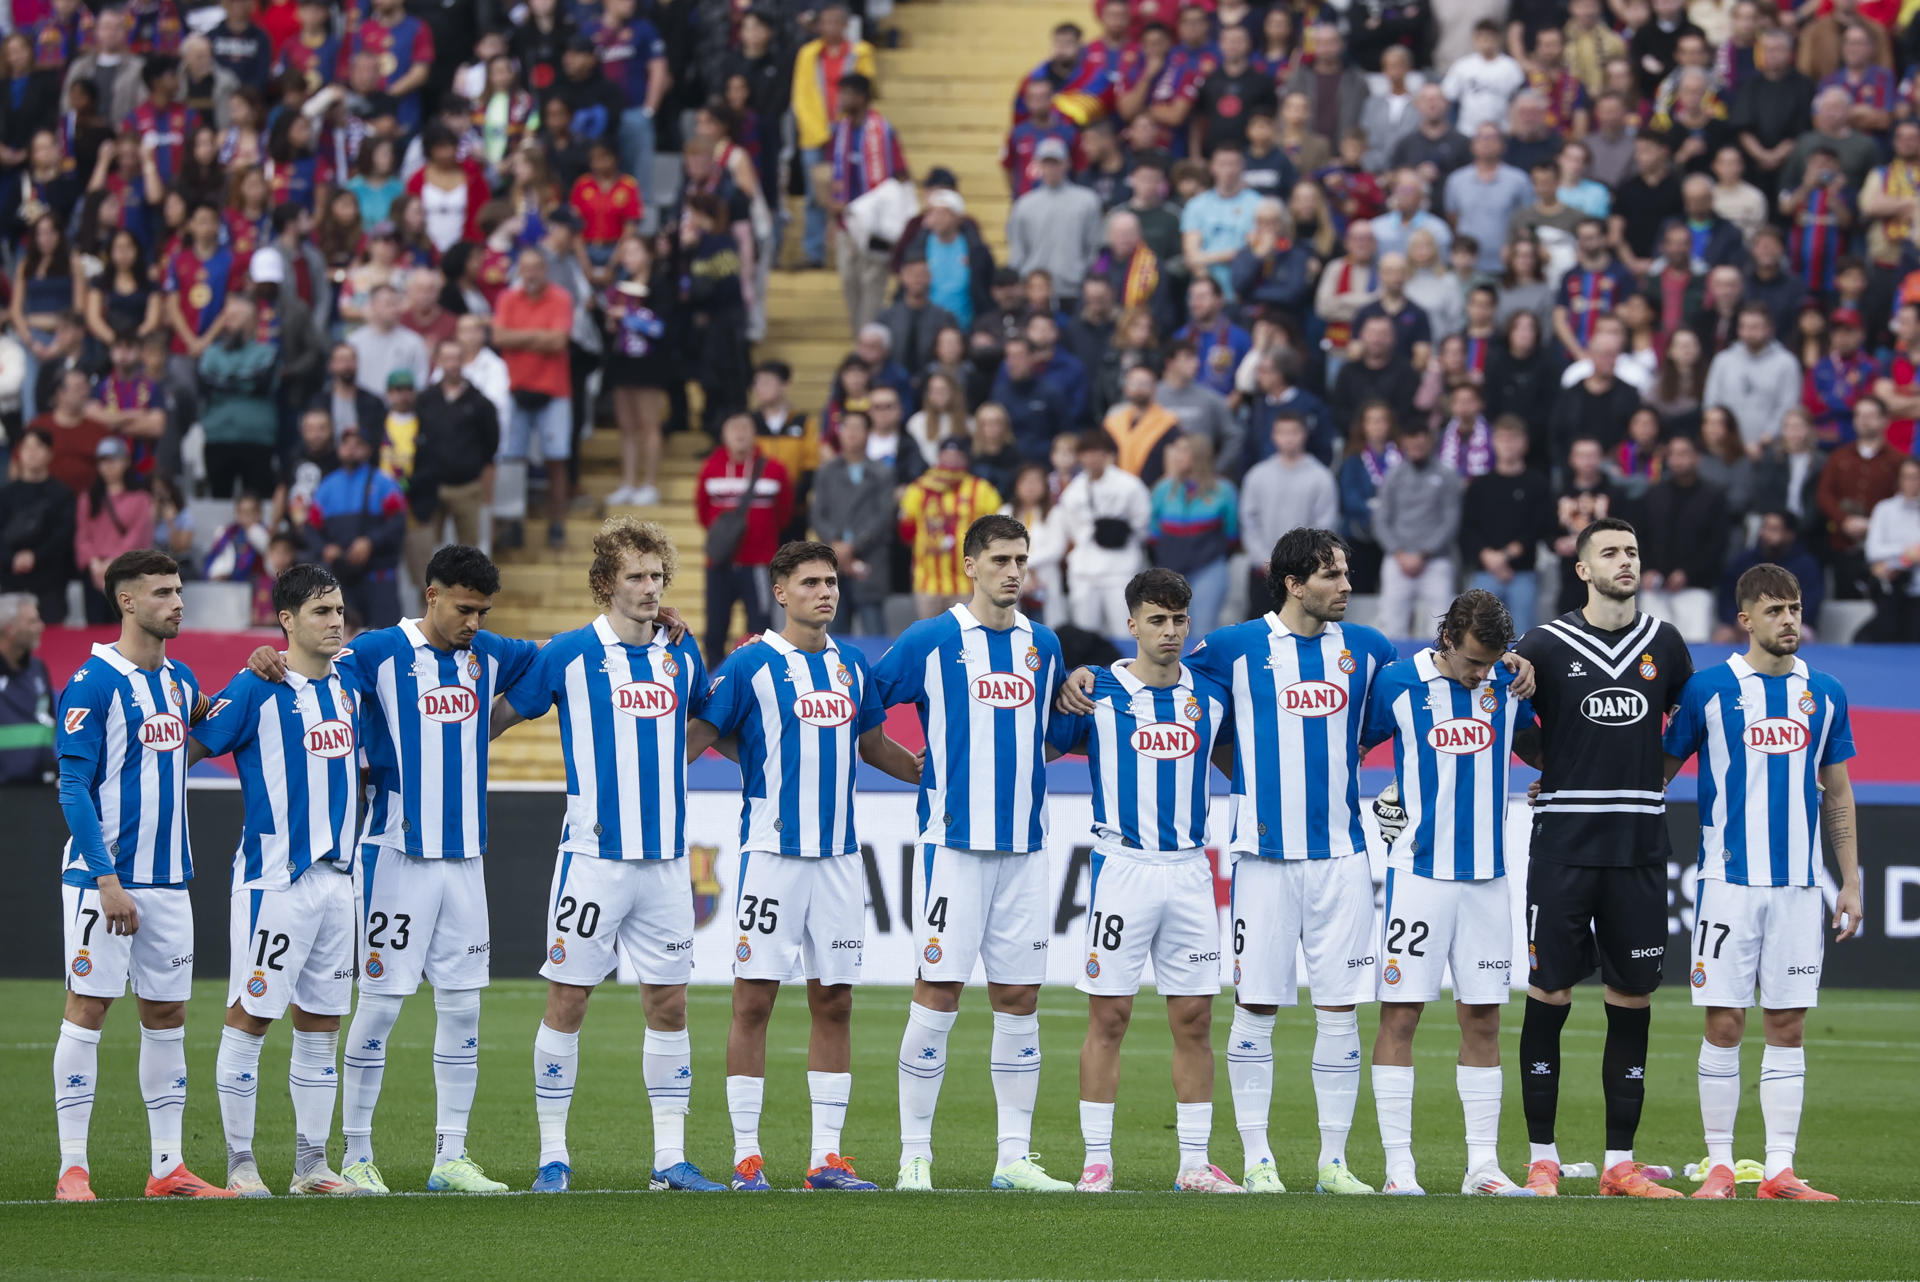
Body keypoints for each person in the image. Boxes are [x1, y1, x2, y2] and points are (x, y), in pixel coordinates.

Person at [244, 545, 539, 1195]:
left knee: (463, 1008)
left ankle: (450, 1157)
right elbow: (310, 671)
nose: (475, 623)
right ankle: (356, 1155)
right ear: (431, 595)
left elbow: (562, 664)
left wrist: (650, 623)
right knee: (378, 1009)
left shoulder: (487, 654)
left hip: (465, 859)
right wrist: (266, 657)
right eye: (465, 609)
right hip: (395, 855)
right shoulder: (378, 651)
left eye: (484, 612)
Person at [485, 519, 725, 1193]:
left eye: (657, 577)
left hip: (669, 862)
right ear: (604, 584)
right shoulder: (566, 654)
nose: (650, 589)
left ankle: (669, 1160)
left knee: (670, 1004)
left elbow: (704, 719)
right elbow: (498, 718)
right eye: (636, 577)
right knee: (569, 1000)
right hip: (593, 859)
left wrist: (666, 762)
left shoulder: (682, 652)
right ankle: (553, 1157)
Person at [686, 540, 920, 1193]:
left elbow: (873, 744)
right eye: (811, 582)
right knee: (754, 1000)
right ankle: (746, 1156)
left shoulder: (851, 664)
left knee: (835, 1001)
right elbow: (701, 736)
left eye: (831, 581)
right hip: (772, 857)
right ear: (780, 591)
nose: (826, 592)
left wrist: (933, 775)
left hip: (841, 859)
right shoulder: (750, 664)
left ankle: (825, 1157)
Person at [873, 513, 1071, 1192]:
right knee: (938, 992)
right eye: (1001, 560)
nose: (1014, 571)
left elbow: (1053, 734)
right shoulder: (931, 639)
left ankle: (1013, 1157)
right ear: (970, 566)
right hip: (952, 848)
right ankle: (914, 1155)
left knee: (1019, 996)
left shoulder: (1044, 645)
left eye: (1022, 559)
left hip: (1025, 848)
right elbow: (864, 705)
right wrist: (912, 767)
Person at [1663, 562, 1860, 1202]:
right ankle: (1719, 1165)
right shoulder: (1709, 690)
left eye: (1796, 608)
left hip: (1802, 888)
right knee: (1723, 1023)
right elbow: (1659, 775)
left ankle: (1779, 1170)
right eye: (1775, 611)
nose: (1790, 621)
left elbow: (1838, 793)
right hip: (1726, 883)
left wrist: (1849, 881)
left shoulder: (1825, 691)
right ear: (1745, 620)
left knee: (1788, 1025)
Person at [1511, 517, 1694, 1198]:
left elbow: (1692, 723)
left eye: (1633, 552)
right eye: (1611, 553)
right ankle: (1543, 1158)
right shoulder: (1545, 645)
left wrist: (1656, 772)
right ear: (1583, 569)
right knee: (1549, 992)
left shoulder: (1666, 646)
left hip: (1640, 846)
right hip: (1563, 846)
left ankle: (1620, 1163)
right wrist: (1555, 765)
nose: (1626, 562)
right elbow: (1518, 730)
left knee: (1631, 997)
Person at [1047, 569, 1241, 1193]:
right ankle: (1097, 1159)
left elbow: (1249, 757)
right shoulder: (1098, 690)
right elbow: (1037, 743)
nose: (1170, 632)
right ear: (1131, 624)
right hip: (1122, 870)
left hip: (1189, 869)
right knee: (1109, 1018)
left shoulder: (1209, 696)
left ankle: (1193, 1164)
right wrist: (1064, 683)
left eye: (1180, 620)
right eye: (1157, 620)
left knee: (1195, 1020)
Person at [51, 549, 232, 1202]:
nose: (178, 601)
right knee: (89, 1008)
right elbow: (73, 787)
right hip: (103, 882)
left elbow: (220, 714)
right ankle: (74, 1168)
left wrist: (261, 673)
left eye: (180, 590)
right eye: (163, 592)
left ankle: (167, 1167)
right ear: (127, 601)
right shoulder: (93, 682)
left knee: (167, 1013)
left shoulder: (180, 682)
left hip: (170, 881)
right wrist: (106, 881)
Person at [184, 564, 362, 1197]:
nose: (335, 621)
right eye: (320, 611)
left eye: (339, 609)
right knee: (250, 1016)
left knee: (320, 1022)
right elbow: (186, 750)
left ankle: (311, 1165)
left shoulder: (350, 685)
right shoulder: (255, 684)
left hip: (338, 883)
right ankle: (240, 1164)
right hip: (273, 883)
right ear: (285, 620)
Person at [1361, 589, 1537, 1198]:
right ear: (1447, 639)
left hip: (1489, 878)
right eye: (1472, 661)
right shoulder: (1396, 685)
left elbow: (1546, 749)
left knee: (1484, 1017)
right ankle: (1398, 1168)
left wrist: (1547, 780)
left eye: (1492, 661)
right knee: (1402, 1013)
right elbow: (1348, 748)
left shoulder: (1511, 687)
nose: (1480, 673)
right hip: (1420, 876)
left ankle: (1483, 1168)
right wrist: (1374, 812)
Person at [696, 411, 793, 666]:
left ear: (754, 434)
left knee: (761, 627)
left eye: (745, 428)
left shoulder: (774, 469)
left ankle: (760, 676)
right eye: (733, 428)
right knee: (715, 627)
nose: (739, 433)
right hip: (719, 564)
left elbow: (784, 514)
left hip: (760, 565)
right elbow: (703, 512)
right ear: (723, 435)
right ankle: (714, 680)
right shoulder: (710, 468)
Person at [495, 246, 577, 547]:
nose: (531, 274)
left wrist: (520, 337)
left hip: (554, 390)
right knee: (513, 460)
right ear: (519, 271)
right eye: (526, 268)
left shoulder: (561, 297)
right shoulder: (507, 298)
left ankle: (557, 523)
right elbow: (499, 337)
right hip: (516, 389)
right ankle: (513, 523)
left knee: (556, 459)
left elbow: (558, 341)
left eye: (537, 268)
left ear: (546, 270)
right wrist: (538, 336)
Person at [408, 340, 499, 584]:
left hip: (467, 486)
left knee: (471, 556)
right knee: (427, 553)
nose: (452, 365)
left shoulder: (480, 402)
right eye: (446, 358)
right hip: (431, 487)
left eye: (457, 358)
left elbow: (491, 443)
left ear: (464, 362)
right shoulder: (426, 399)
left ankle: (471, 608)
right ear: (438, 361)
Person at [306, 425, 406, 629]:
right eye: (346, 443)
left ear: (369, 450)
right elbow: (310, 528)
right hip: (342, 578)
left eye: (358, 444)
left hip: (379, 577)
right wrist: (325, 549)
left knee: (386, 638)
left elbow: (398, 522)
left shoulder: (384, 482)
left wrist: (370, 542)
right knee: (345, 639)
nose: (351, 448)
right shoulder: (327, 486)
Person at [1461, 417, 1554, 631]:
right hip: (1485, 569)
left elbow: (1540, 525)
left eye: (1514, 438)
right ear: (1493, 442)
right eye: (1502, 438)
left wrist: (1508, 555)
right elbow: (1468, 527)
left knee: (1522, 637)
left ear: (1525, 443)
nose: (1508, 444)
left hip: (1523, 571)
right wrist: (1488, 556)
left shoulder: (1537, 483)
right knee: (1478, 634)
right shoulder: (1480, 485)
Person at [1058, 429, 1152, 635]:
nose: (1092, 458)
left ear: (1108, 454)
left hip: (1121, 567)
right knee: (1085, 632)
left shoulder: (1129, 485)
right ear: (1080, 456)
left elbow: (1142, 522)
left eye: (1097, 452)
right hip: (1084, 570)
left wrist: (1120, 532)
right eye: (1086, 453)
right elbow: (1071, 530)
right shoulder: (1073, 491)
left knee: (1125, 629)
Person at [809, 412, 895, 636]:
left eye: (859, 428)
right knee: (833, 633)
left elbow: (884, 516)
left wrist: (853, 546)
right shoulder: (826, 472)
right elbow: (818, 514)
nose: (853, 434)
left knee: (875, 632)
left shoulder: (883, 472)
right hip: (833, 561)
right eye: (847, 428)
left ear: (868, 433)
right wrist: (835, 544)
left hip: (869, 559)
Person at [1639, 434, 1730, 642]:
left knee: (1694, 649)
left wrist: (1688, 573)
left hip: (1696, 588)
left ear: (1697, 457)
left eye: (1684, 453)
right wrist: (1647, 569)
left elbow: (1717, 544)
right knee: (1651, 649)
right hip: (1655, 588)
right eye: (1673, 454)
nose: (1678, 460)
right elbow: (1640, 537)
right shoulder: (1653, 494)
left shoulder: (1713, 496)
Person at [1374, 426, 1462, 639]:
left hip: (1436, 561)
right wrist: (1400, 553)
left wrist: (1424, 553)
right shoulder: (1393, 475)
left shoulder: (1446, 475)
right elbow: (1381, 519)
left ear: (1431, 441)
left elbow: (1451, 520)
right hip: (1398, 560)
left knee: (1442, 630)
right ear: (1404, 442)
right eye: (1412, 439)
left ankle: (1442, 673)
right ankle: (1394, 671)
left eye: (1421, 439)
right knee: (1392, 628)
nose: (1417, 445)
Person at [1148, 435, 1237, 636]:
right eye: (1175, 450)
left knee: (1203, 631)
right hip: (1169, 571)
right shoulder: (1162, 489)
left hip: (1209, 568)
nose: (1177, 456)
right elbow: (1153, 533)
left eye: (1183, 450)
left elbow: (1232, 535)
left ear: (1199, 454)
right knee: (1168, 631)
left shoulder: (1224, 491)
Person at [197, 296, 280, 499]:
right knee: (218, 500)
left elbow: (262, 383)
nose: (226, 324)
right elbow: (206, 384)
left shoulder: (267, 353)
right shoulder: (210, 354)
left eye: (233, 318)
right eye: (225, 318)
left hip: (257, 438)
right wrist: (244, 379)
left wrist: (225, 380)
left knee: (258, 499)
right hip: (218, 436)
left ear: (249, 323)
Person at [1007, 137, 1103, 312]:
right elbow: (1018, 252)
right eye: (1046, 163)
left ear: (1066, 164)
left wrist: (1085, 277)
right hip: (1036, 292)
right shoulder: (1024, 205)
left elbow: (1093, 247)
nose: (1051, 169)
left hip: (1074, 290)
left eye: (1056, 163)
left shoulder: (1087, 201)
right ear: (1037, 165)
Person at [0, 430, 78, 624]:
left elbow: (64, 535)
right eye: (26, 447)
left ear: (50, 453)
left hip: (50, 579)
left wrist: (35, 556)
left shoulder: (63, 494)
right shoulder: (6, 494)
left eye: (38, 447)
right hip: (11, 577)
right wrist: (12, 558)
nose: (32, 453)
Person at [75, 437, 155, 624]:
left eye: (113, 459)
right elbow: (83, 535)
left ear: (126, 461)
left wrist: (112, 564)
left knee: (124, 625)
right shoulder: (89, 497)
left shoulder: (141, 498)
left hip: (127, 570)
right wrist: (94, 563)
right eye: (103, 460)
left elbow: (137, 536)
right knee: (94, 625)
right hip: (94, 571)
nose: (108, 466)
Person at [1863, 457, 1920, 642]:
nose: (1911, 482)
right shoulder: (1885, 509)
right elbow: (1873, 550)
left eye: (1916, 477)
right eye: (1906, 477)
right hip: (1890, 584)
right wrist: (1906, 552)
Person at [0, 592, 53, 785]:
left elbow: (48, 721)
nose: (41, 627)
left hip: (38, 789)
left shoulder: (38, 669)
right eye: (32, 621)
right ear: (10, 629)